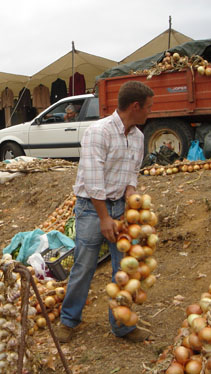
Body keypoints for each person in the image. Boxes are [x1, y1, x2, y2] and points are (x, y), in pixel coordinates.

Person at [55, 81, 154, 343]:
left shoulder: (138, 137)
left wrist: (132, 194)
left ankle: (122, 325)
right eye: (148, 108)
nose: (149, 113)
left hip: (122, 208)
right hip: (91, 207)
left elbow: (132, 172)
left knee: (123, 268)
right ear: (135, 106)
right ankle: (69, 321)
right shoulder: (98, 132)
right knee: (84, 265)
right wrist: (103, 218)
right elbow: (93, 177)